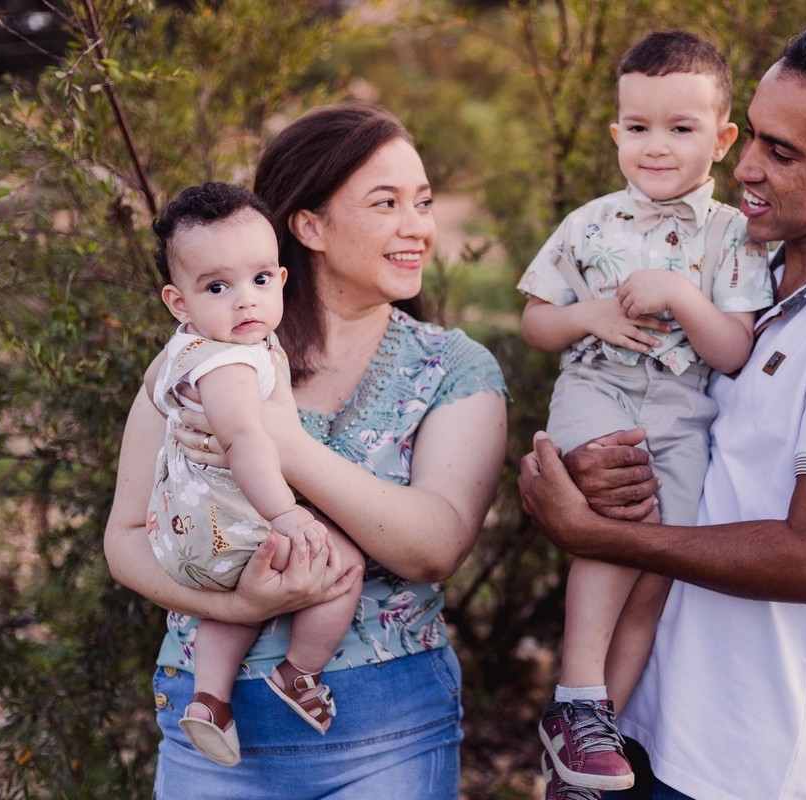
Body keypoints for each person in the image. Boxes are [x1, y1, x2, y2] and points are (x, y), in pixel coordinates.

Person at [519, 22, 806, 800]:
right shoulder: (744, 263)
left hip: (740, 763)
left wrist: (595, 530)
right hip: (632, 722)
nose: (746, 165)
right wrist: (595, 464)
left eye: (782, 153)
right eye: (751, 134)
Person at [105, 101, 508, 799]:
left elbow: (435, 545)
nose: (418, 227)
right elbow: (125, 535)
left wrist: (282, 442)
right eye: (387, 203)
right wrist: (235, 608)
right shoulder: (197, 361)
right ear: (309, 225)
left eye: (424, 202)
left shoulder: (452, 368)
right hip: (209, 736)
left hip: (386, 737)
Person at [517, 29, 772, 796]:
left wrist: (685, 297)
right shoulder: (591, 223)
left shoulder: (734, 234)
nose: (655, 146)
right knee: (618, 518)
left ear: (723, 140)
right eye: (638, 127)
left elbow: (731, 349)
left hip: (682, 414)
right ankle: (575, 703)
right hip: (599, 391)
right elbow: (535, 320)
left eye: (680, 128)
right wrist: (588, 315)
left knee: (658, 568)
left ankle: (594, 747)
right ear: (616, 132)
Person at [141, 181, 367, 767]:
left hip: (183, 537)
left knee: (233, 594)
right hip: (238, 522)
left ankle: (209, 701)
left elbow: (153, 391)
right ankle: (300, 672)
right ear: (179, 301)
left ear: (281, 280)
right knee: (342, 568)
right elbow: (246, 440)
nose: (245, 301)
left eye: (260, 280)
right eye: (218, 287)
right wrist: (286, 513)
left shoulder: (182, 350)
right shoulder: (235, 363)